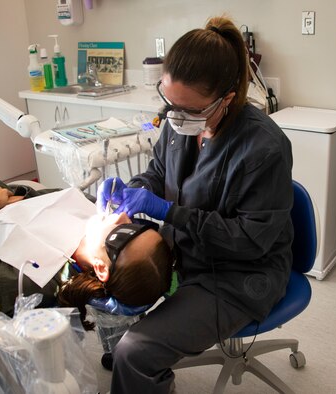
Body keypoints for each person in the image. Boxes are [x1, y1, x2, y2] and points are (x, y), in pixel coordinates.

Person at [97, 15, 294, 393]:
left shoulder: (263, 148)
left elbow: (251, 240)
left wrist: (168, 212)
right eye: (168, 103)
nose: (173, 117)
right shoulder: (180, 121)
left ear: (228, 100)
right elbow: (158, 172)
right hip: (186, 252)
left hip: (238, 275)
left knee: (135, 352)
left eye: (188, 110)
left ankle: (136, 362)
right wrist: (131, 188)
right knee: (102, 280)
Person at [0, 143, 173, 325]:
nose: (122, 217)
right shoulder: (92, 212)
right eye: (138, 225)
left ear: (101, 267)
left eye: (124, 233)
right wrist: (21, 194)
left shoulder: (30, 278)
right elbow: (45, 200)